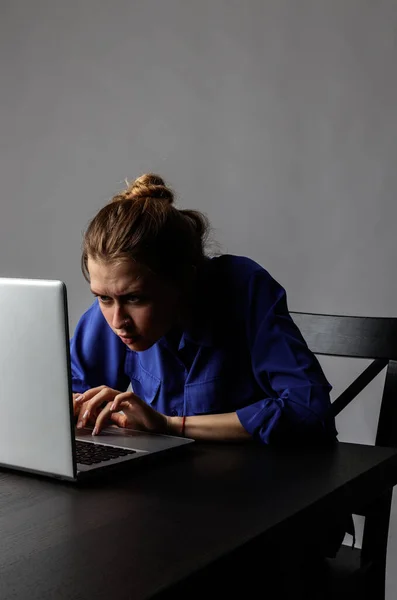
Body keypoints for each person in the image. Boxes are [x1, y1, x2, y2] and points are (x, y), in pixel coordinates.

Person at [71, 173, 337, 446]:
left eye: (136, 299)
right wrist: (70, 405)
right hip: (164, 480)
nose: (117, 321)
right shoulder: (118, 300)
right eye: (103, 298)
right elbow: (67, 390)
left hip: (263, 480)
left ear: (183, 279)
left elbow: (309, 412)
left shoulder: (244, 288)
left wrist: (168, 425)